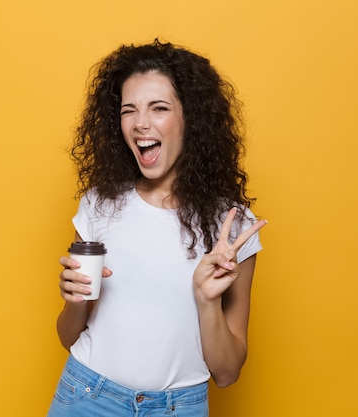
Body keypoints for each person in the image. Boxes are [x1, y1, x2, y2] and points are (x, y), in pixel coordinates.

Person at [47, 39, 267, 417]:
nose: (140, 123)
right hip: (86, 396)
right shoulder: (99, 205)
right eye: (128, 110)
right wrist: (75, 302)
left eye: (159, 108)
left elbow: (227, 373)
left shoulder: (233, 229)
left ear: (191, 119)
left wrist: (207, 300)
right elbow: (69, 337)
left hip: (178, 408)